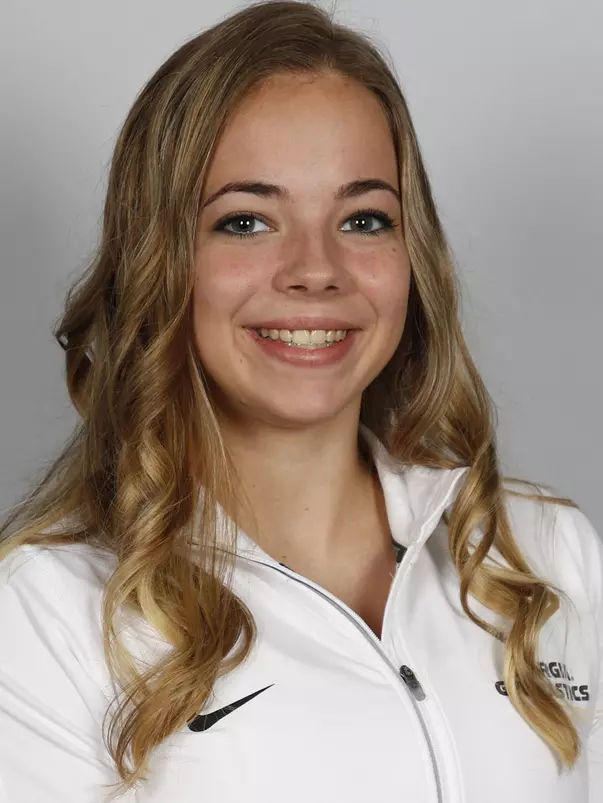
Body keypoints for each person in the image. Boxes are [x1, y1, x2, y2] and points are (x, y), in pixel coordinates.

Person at [0, 1, 601, 801]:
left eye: (362, 218)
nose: (315, 269)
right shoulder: (45, 612)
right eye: (245, 221)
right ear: (160, 262)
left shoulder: (540, 554)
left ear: (411, 257)